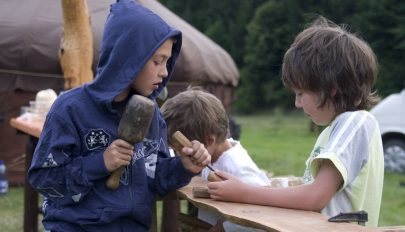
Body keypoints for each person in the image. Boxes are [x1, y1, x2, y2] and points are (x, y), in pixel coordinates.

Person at [27, 1, 211, 231]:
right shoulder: (71, 109)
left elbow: (155, 179)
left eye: (167, 61)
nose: (164, 72)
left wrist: (183, 166)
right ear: (128, 57)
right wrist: (100, 163)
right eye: (157, 61)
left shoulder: (151, 114)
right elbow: (44, 180)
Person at [207, 16, 384, 227]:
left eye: (300, 93)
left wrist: (244, 192)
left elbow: (315, 196)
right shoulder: (334, 129)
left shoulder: (356, 122)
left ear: (331, 89)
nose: (297, 103)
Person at [161, 89, 270, 231]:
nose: (179, 155)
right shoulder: (213, 156)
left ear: (209, 141)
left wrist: (225, 228)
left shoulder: (237, 167)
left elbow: (263, 217)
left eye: (180, 150)